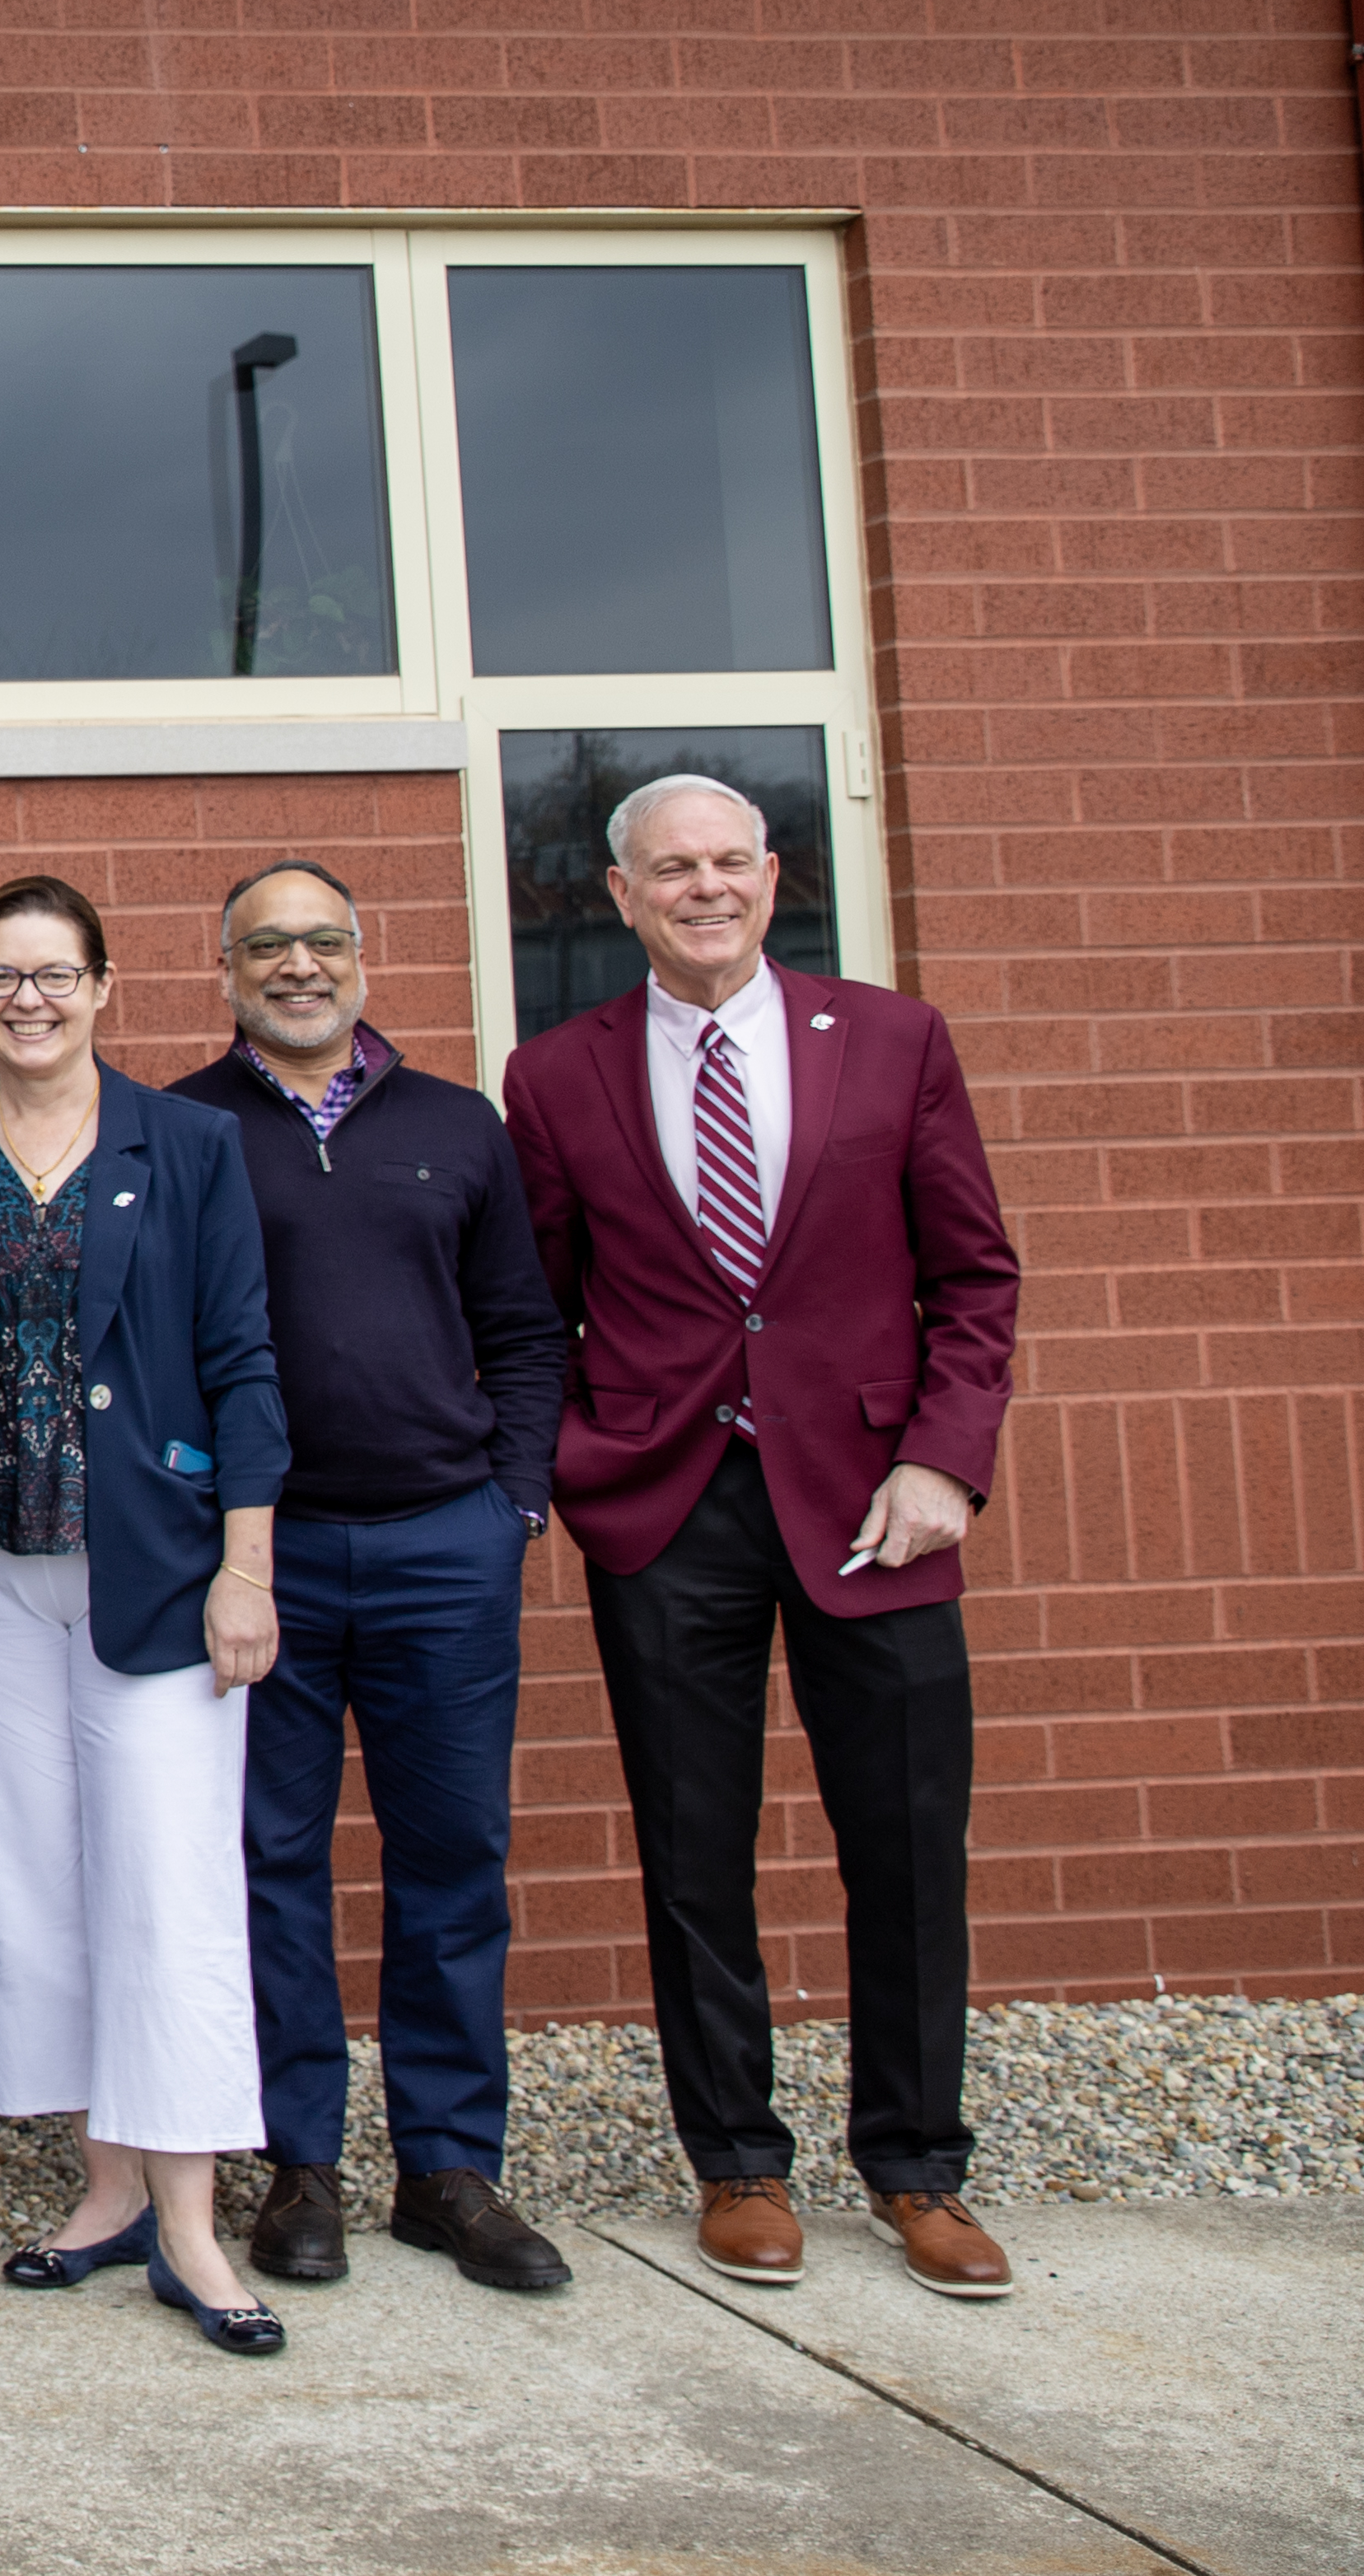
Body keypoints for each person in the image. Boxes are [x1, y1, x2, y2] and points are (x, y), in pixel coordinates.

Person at [500, 774, 1023, 2299]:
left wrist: (946, 1465)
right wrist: (572, 1468)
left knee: (909, 1844)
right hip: (666, 1512)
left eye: (730, 861)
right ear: (618, 896)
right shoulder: (554, 1074)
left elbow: (975, 1280)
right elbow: (532, 1304)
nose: (704, 887)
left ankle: (918, 2167)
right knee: (691, 1853)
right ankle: (734, 2162)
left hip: (878, 1507)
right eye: (672, 868)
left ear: (772, 874)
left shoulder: (891, 1040)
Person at [173, 863, 573, 2293]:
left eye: (322, 940)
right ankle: (300, 2165)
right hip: (262, 1561)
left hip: (440, 1549)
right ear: (223, 968)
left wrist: (510, 1505)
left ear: (363, 953)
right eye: (266, 944)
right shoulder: (183, 1128)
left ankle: (449, 2167)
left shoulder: (459, 1127)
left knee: (452, 1857)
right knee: (272, 1865)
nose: (297, 966)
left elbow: (525, 1332)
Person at [0, 875, 294, 2357]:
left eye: (54, 973)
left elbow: (244, 1357)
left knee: (167, 1887)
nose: (29, 998)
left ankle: (192, 2225)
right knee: (29, 1881)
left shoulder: (188, 1143)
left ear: (103, 985)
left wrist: (246, 1565)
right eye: (1, 974)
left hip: (155, 1572)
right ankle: (102, 2187)